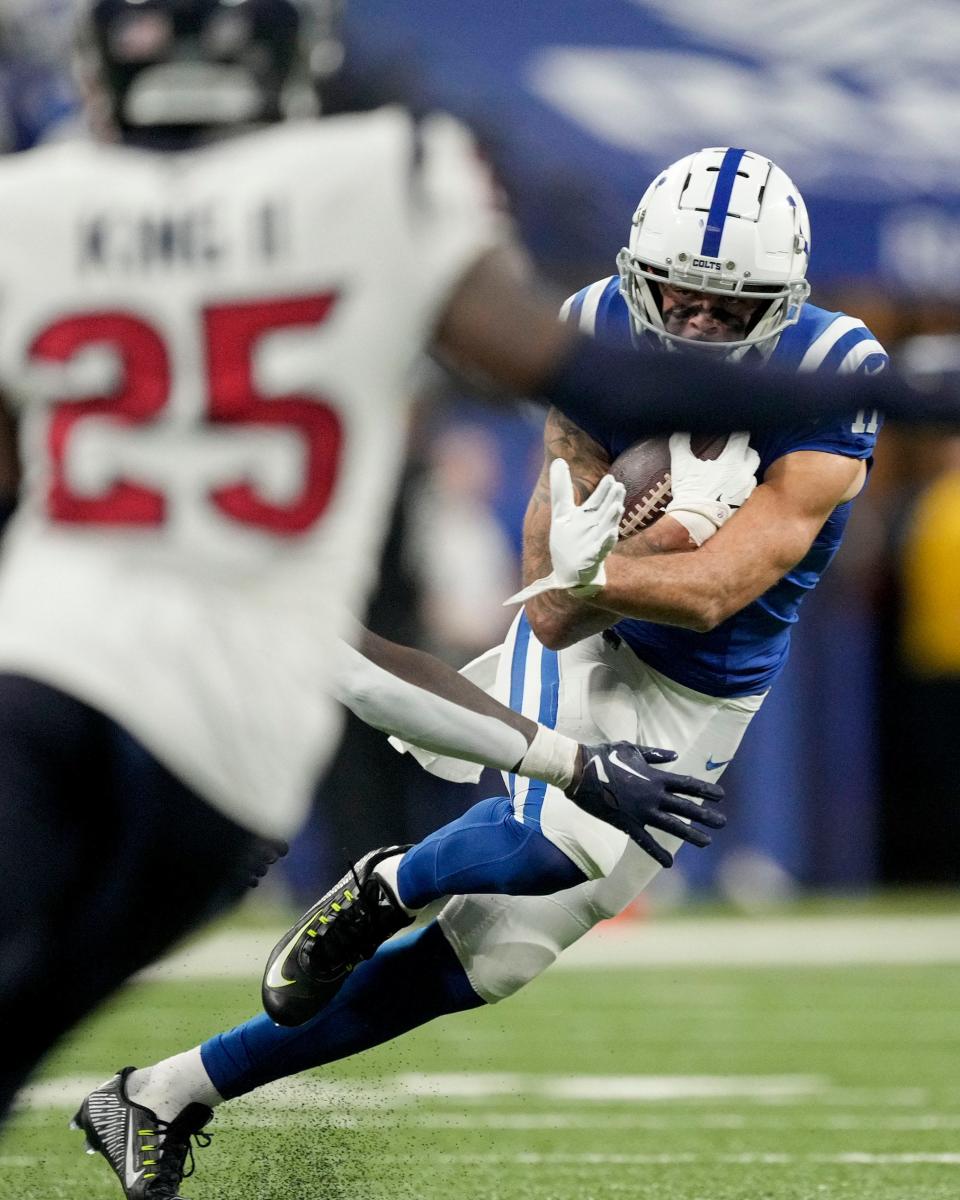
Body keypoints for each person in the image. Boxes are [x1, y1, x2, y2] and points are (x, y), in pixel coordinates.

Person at [0, 1, 844, 1124]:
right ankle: (385, 880)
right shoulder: (425, 206)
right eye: (675, 296)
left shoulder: (42, 204)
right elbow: (544, 601)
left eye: (724, 306)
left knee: (494, 958)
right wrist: (590, 602)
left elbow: (718, 588)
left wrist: (606, 576)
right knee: (553, 828)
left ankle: (162, 1097)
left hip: (695, 681)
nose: (692, 325)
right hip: (292, 636)